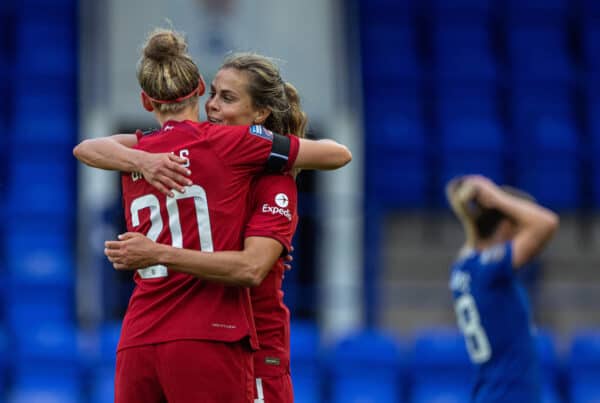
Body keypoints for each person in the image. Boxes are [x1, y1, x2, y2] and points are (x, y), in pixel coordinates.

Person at [73, 29, 351, 403]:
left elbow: (87, 149)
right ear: (199, 88)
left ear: (260, 114)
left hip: (252, 351)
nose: (214, 107)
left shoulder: (271, 181)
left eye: (228, 98)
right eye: (214, 95)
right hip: (213, 338)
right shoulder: (206, 150)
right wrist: (144, 161)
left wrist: (142, 163)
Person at [446, 175, 559, 403]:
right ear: (508, 226)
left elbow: (473, 236)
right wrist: (498, 198)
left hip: (489, 393)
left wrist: (477, 203)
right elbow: (547, 223)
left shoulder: (463, 268)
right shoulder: (491, 270)